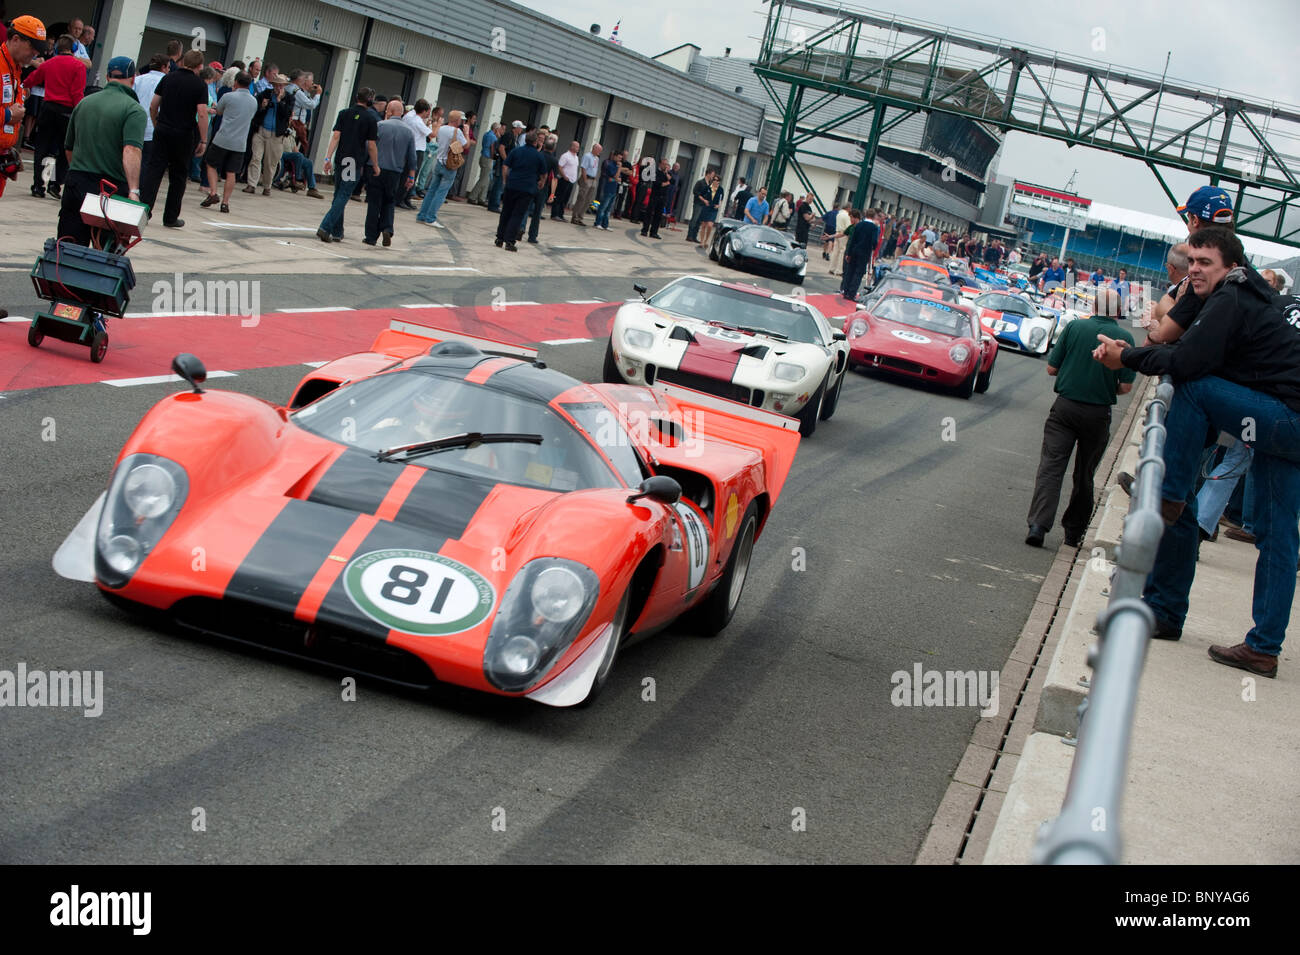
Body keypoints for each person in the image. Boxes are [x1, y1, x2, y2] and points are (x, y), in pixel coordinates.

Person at [1093, 226, 1297, 677]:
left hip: (1285, 418)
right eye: (1192, 261)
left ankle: (1169, 493)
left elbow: (1184, 363)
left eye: (1205, 262)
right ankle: (1263, 647)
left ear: (1231, 266)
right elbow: (1181, 345)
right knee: (1276, 535)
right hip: (1283, 421)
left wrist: (1125, 358)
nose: (1193, 269)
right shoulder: (1245, 295)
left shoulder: (1232, 295)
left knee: (1194, 388)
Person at [1025, 288, 1136, 549]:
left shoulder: (1074, 327)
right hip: (1098, 413)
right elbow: (1126, 387)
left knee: (1051, 468)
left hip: (1065, 408)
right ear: (1117, 311)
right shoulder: (1125, 338)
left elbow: (1052, 367)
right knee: (1085, 474)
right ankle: (1073, 532)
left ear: (1094, 306)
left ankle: (1039, 525)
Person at [56, 56, 146, 246]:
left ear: (107, 77)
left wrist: (80, 172)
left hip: (77, 183)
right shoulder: (133, 110)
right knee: (104, 255)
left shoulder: (84, 103)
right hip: (110, 189)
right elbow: (131, 151)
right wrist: (133, 190)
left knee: (68, 248)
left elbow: (69, 147)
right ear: (132, 79)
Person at [139, 49, 208, 228]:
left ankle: (143, 212)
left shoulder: (168, 78)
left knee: (154, 172)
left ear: (184, 61)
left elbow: (154, 105)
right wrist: (203, 139)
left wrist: (156, 123)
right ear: (200, 66)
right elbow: (201, 113)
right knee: (178, 176)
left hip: (163, 129)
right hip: (184, 134)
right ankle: (170, 217)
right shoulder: (200, 85)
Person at [24, 33, 85, 199]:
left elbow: (30, 79)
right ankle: (55, 184)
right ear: (74, 49)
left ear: (57, 48)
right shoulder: (78, 66)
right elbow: (77, 93)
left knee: (42, 148)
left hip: (48, 108)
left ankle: (38, 186)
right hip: (67, 112)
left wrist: (24, 88)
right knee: (65, 150)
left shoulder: (50, 63)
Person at [317, 88, 378, 243]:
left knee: (339, 194)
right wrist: (376, 164)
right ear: (370, 100)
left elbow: (336, 136)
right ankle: (326, 227)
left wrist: (327, 158)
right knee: (343, 195)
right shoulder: (370, 119)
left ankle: (338, 231)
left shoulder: (344, 113)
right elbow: (371, 145)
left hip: (341, 158)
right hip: (353, 161)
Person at [199, 70, 254, 214]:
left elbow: (219, 111)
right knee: (231, 172)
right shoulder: (253, 101)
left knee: (211, 164)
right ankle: (225, 202)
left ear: (236, 81)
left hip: (223, 138)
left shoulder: (228, 96)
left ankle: (213, 192)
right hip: (240, 142)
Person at [363, 100, 416, 247]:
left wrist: (364, 165)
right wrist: (411, 176)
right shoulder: (408, 131)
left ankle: (371, 236)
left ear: (389, 111)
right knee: (389, 200)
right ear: (402, 112)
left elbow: (369, 146)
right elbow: (412, 157)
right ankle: (387, 228)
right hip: (395, 172)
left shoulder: (379, 126)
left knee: (374, 202)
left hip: (376, 168)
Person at [495, 128, 547, 252]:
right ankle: (509, 240)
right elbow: (544, 174)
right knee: (517, 214)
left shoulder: (516, 151)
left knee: (506, 211)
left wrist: (505, 180)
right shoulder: (538, 156)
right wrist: (541, 183)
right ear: (536, 143)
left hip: (512, 185)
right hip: (527, 188)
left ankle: (500, 238)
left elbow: (505, 166)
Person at [416, 108, 467, 228]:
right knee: (441, 193)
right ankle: (430, 217)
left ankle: (422, 215)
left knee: (432, 190)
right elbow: (465, 145)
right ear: (457, 120)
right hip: (449, 165)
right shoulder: (457, 131)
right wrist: (466, 132)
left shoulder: (442, 128)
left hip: (438, 161)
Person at [244, 71, 293, 196]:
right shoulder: (265, 94)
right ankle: (252, 184)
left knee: (270, 162)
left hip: (276, 134)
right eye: (277, 85)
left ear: (285, 86)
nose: (278, 88)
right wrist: (263, 107)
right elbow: (255, 110)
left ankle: (267, 186)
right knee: (256, 157)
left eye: (281, 86)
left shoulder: (289, 98)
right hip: (261, 130)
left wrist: (279, 101)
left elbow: (286, 115)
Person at [841, 208, 879, 301]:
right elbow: (874, 241)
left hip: (854, 251)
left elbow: (853, 239)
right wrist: (873, 247)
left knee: (850, 271)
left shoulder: (859, 225)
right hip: (865, 252)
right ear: (874, 216)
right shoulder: (874, 228)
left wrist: (849, 253)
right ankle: (851, 293)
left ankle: (845, 291)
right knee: (858, 273)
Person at [467, 118, 496, 205]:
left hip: (483, 156)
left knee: (486, 179)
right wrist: (493, 157)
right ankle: (473, 196)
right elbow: (492, 148)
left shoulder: (486, 134)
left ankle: (482, 198)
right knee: (484, 179)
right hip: (488, 158)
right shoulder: (493, 136)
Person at [571, 143, 600, 226]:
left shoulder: (597, 158)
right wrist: (585, 180)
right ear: (594, 149)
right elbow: (583, 168)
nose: (599, 152)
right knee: (581, 198)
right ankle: (575, 217)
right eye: (599, 150)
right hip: (587, 178)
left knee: (588, 200)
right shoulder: (587, 156)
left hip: (593, 179)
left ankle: (580, 217)